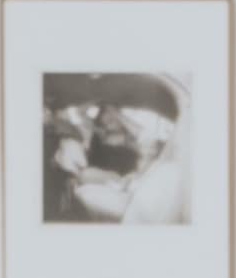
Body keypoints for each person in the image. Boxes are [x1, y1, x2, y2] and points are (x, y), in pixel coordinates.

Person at [64, 75, 189, 227]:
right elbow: (77, 113)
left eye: (112, 116)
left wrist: (117, 114)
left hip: (126, 179)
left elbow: (145, 135)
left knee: (102, 176)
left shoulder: (133, 139)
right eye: (104, 115)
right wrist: (98, 99)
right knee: (86, 174)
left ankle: (124, 186)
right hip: (99, 176)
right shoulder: (96, 135)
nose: (108, 118)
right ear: (100, 120)